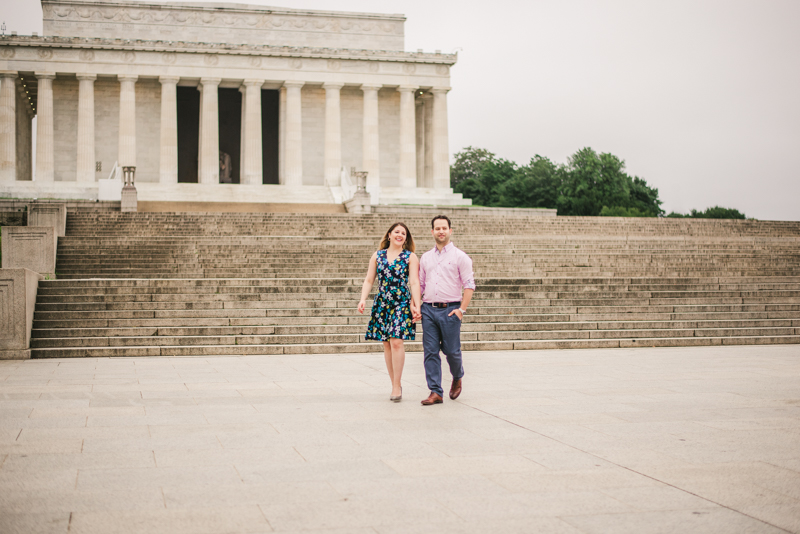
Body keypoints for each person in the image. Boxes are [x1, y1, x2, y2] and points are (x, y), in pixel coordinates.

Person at [358, 222, 421, 402]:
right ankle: (395, 383)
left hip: (401, 302)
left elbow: (415, 282)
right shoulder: (377, 256)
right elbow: (369, 280)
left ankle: (396, 385)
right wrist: (363, 299)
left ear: (406, 238)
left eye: (403, 233)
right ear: (389, 235)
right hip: (383, 303)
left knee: (396, 341)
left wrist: (416, 304)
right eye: (397, 232)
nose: (400, 235)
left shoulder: (410, 257)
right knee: (386, 343)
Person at [419, 215, 475, 406]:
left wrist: (461, 310)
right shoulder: (425, 257)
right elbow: (420, 284)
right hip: (428, 310)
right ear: (432, 231)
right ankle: (435, 391)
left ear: (450, 231)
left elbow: (469, 285)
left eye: (444, 228)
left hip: (451, 310)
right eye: (437, 228)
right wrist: (416, 305)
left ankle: (457, 376)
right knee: (430, 352)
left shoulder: (461, 257)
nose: (441, 231)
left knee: (452, 351)